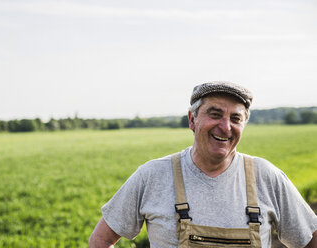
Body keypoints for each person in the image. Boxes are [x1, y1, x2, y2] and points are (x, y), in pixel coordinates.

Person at [89, 81, 317, 248]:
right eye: (215, 114)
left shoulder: (267, 177)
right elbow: (101, 240)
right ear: (192, 119)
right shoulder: (153, 176)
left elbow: (310, 239)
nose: (226, 127)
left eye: (236, 118)